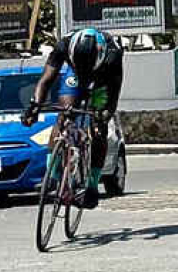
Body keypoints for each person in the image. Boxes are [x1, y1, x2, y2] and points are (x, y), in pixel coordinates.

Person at [23, 28, 124, 209]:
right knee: (64, 115)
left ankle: (92, 184)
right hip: (74, 76)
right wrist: (34, 106)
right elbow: (46, 80)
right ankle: (52, 177)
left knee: (99, 129)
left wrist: (105, 113)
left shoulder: (113, 53)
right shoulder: (64, 44)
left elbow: (113, 93)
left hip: (101, 80)